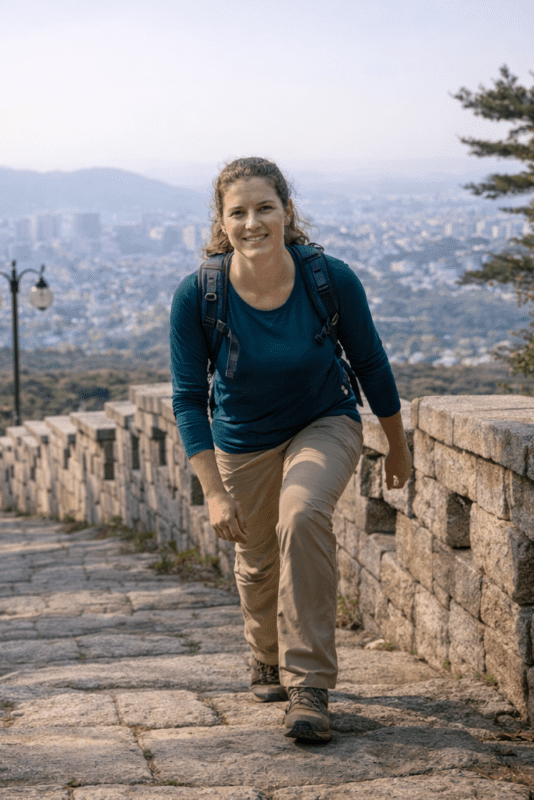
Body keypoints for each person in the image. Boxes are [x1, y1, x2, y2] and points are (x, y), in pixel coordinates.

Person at [169, 156, 411, 742]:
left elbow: (371, 364)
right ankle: (264, 652)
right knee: (255, 563)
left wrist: (397, 448)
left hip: (323, 420)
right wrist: (214, 492)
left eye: (264, 208)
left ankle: (310, 688)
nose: (253, 222)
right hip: (242, 439)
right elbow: (187, 399)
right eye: (238, 212)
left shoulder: (329, 278)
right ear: (221, 222)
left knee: (301, 516)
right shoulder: (198, 296)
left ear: (287, 211)